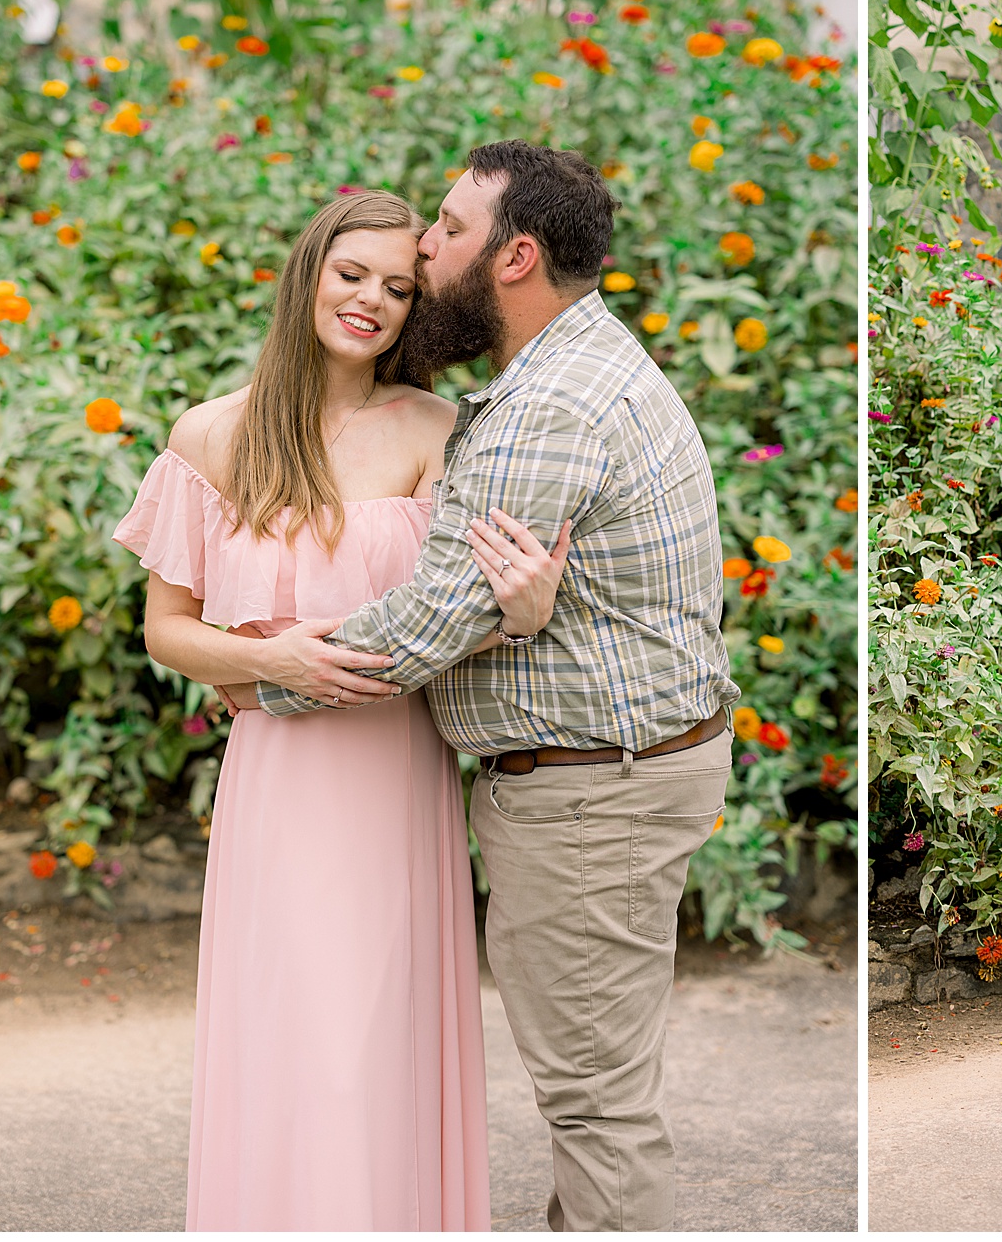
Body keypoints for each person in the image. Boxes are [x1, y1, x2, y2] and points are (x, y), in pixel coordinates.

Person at [226, 141, 742, 1230]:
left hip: (594, 793)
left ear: (512, 257)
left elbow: (423, 625)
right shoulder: (572, 368)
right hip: (620, 769)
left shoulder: (546, 408)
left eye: (447, 232)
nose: (421, 246)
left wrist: (265, 681)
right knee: (600, 1088)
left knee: (597, 1104)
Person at [113, 189, 572, 1229]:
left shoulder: (437, 431)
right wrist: (267, 654)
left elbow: (470, 615)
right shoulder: (214, 435)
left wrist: (526, 609)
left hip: (395, 775)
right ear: (308, 273)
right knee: (288, 1037)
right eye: (352, 273)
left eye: (399, 286)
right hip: (279, 777)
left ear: (417, 308)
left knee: (374, 1041)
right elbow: (165, 629)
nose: (371, 299)